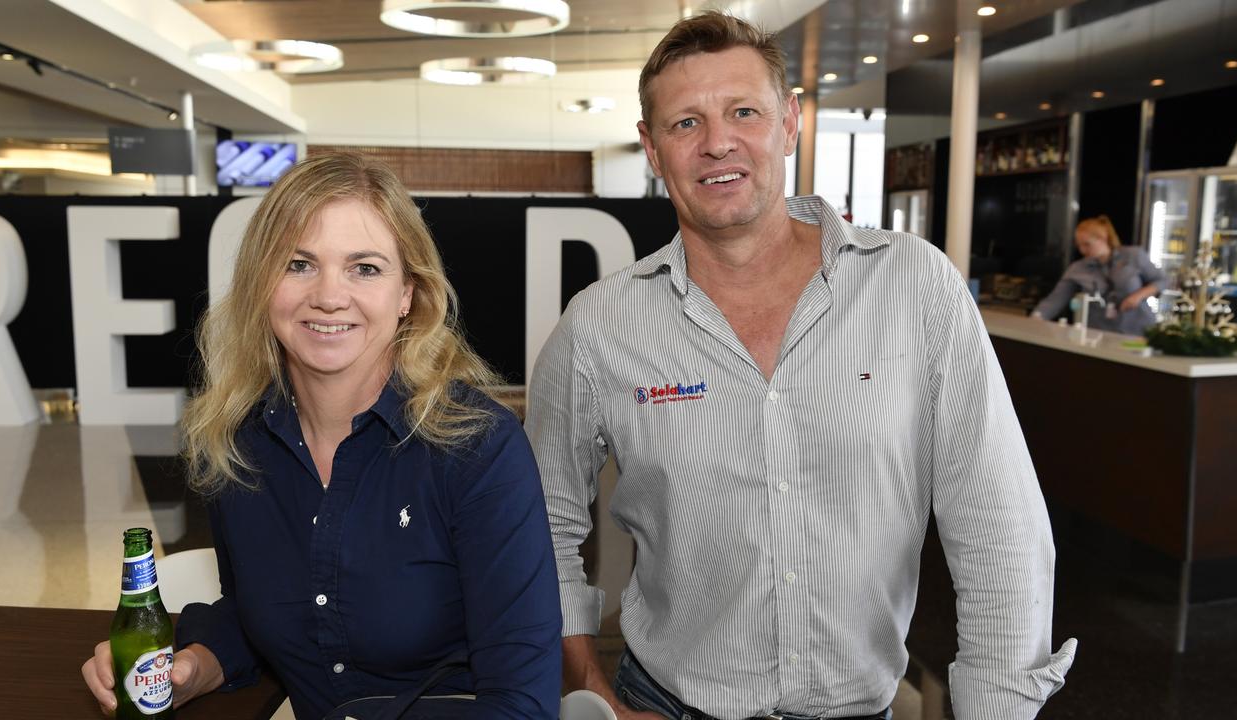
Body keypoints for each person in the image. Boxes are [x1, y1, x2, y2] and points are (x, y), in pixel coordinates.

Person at [526, 11, 1076, 720]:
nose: (717, 141)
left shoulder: (915, 287)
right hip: (662, 703)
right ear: (653, 150)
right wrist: (590, 692)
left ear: (790, 122)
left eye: (743, 111)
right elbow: (539, 528)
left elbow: (999, 527)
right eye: (684, 123)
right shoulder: (600, 326)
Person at [82, 152, 562, 720]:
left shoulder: (479, 447)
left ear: (407, 294)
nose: (329, 296)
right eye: (299, 264)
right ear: (262, 283)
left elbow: (522, 706)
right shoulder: (237, 444)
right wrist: (195, 667)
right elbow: (261, 612)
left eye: (365, 268)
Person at [1031, 215, 1166, 334]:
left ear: (1103, 239)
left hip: (1137, 330)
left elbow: (1162, 280)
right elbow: (1056, 299)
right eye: (1079, 246)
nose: (1083, 250)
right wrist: (1036, 318)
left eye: (1087, 245)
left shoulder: (1133, 255)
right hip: (1098, 333)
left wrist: (1137, 296)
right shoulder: (1078, 269)